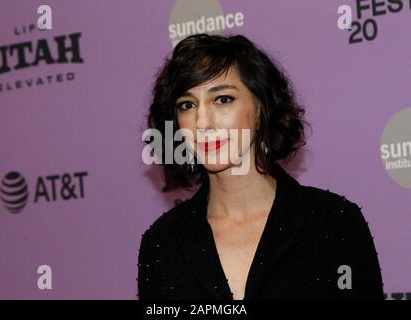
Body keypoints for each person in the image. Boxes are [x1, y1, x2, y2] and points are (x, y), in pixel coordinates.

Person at [138, 33, 384, 300]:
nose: (203, 122)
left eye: (222, 99)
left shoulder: (335, 223)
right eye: (187, 105)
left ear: (261, 108)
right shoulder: (162, 243)